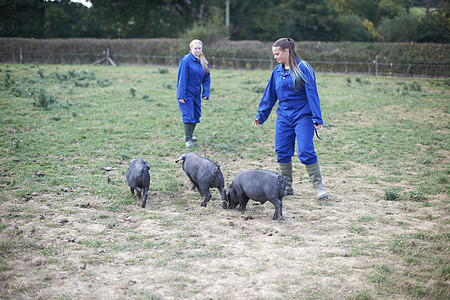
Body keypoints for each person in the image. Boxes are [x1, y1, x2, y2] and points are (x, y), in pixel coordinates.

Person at [253, 38, 328, 200]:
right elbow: (269, 95)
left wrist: (317, 117)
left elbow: (312, 93)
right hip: (284, 117)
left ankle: (318, 187)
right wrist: (261, 115)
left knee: (305, 151)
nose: (275, 57)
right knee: (281, 150)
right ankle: (287, 187)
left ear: (287, 51)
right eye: (274, 54)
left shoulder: (303, 68)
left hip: (303, 116)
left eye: (277, 54)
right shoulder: (277, 72)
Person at [176, 39, 211, 148]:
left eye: (199, 48)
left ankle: (189, 135)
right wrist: (181, 94)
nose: (197, 50)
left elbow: (206, 78)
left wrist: (205, 92)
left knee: (196, 114)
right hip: (186, 91)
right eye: (195, 48)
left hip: (197, 92)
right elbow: (182, 78)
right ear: (191, 48)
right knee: (188, 115)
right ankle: (188, 139)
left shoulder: (203, 61)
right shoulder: (186, 60)